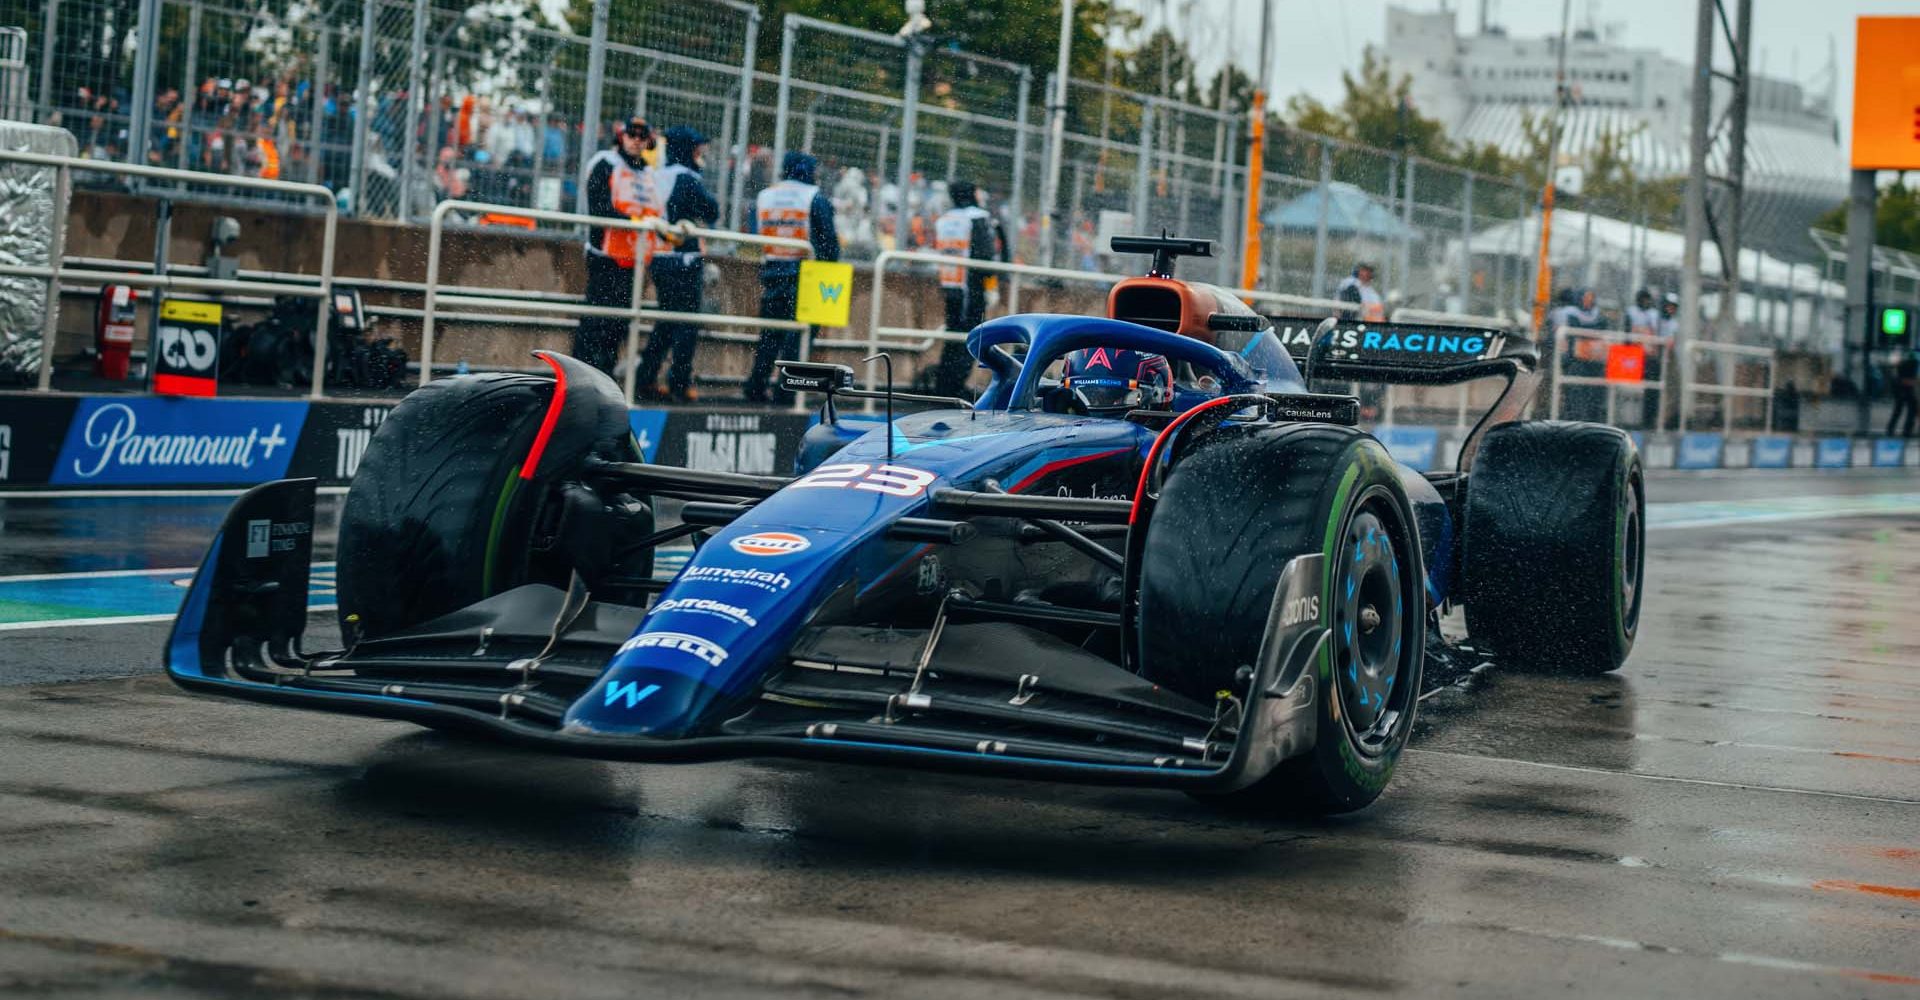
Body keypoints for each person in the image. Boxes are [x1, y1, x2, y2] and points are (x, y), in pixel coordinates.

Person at [743, 151, 840, 404]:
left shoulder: (765, 196)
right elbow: (829, 243)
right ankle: (785, 394)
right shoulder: (813, 197)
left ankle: (756, 385)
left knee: (769, 335)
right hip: (805, 276)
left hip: (772, 271)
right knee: (798, 337)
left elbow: (754, 233)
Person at [634, 125, 721, 402]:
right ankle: (679, 384)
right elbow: (711, 211)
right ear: (686, 150)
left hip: (660, 258)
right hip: (682, 260)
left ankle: (645, 378)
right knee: (686, 323)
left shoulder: (656, 176)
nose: (700, 153)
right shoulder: (685, 178)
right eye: (696, 148)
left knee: (666, 322)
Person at [573, 117, 655, 375]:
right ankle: (581, 376)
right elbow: (599, 207)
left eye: (642, 136)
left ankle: (605, 377)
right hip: (605, 256)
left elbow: (655, 211)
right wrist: (632, 221)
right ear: (622, 136)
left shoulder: (648, 173)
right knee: (595, 322)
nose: (636, 140)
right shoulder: (605, 163)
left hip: (634, 260)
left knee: (618, 326)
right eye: (632, 134)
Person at [931, 181, 1009, 398]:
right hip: (972, 287)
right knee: (970, 338)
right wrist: (992, 283)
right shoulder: (977, 217)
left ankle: (944, 386)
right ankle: (953, 388)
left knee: (953, 337)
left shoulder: (945, 219)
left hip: (950, 285)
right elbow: (985, 256)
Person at [1890, 353, 1919, 439]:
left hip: (1902, 391)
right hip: (1905, 390)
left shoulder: (1904, 365)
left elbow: (1900, 379)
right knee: (1910, 409)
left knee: (1899, 410)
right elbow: (1907, 380)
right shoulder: (1913, 364)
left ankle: (1891, 429)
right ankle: (1906, 431)